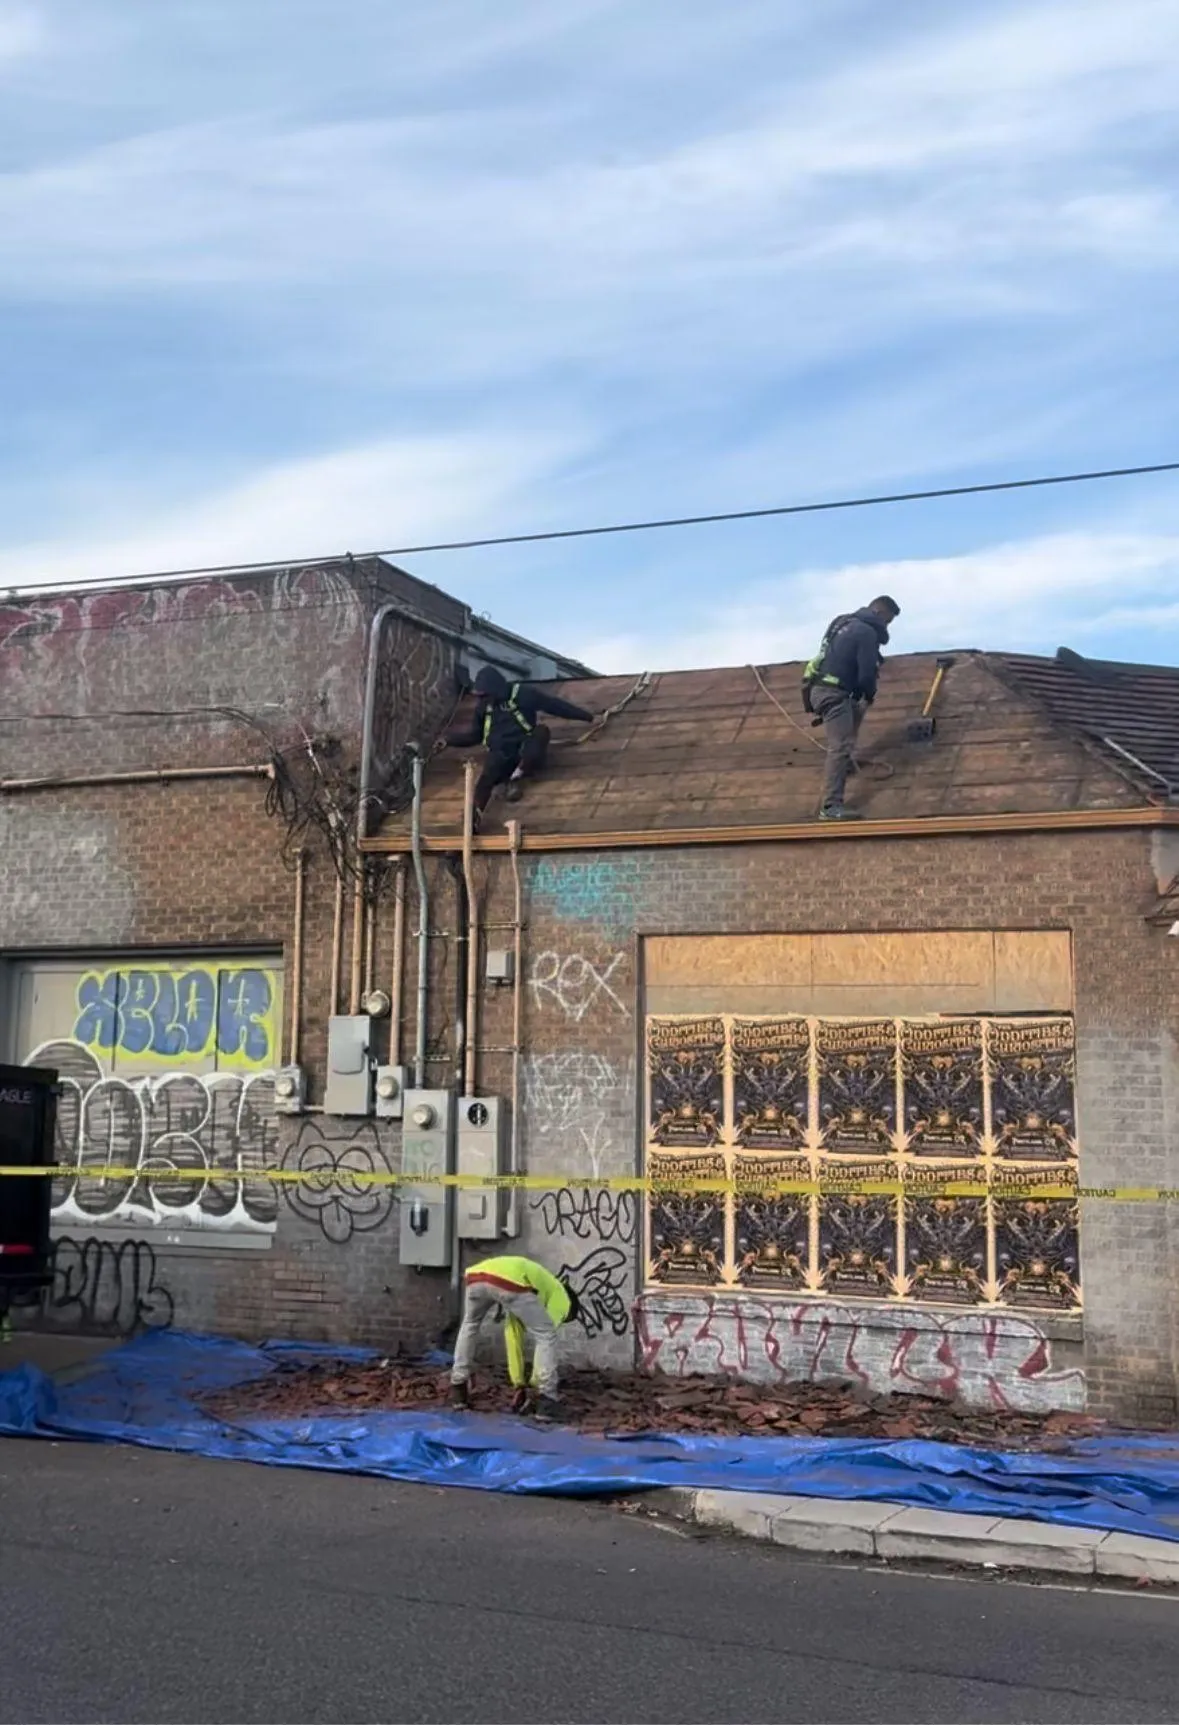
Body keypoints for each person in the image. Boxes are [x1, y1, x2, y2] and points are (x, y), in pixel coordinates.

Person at [446, 667, 595, 821]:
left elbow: (554, 705)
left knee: (541, 732)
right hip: (501, 754)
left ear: (495, 689)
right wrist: (449, 740)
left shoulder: (523, 695)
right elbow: (476, 736)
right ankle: (473, 819)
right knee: (486, 779)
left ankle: (515, 779)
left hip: (524, 751)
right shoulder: (483, 707)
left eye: (485, 695)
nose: (482, 700)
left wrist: (587, 717)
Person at [450, 1253, 581, 1421]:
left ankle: (458, 1388)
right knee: (547, 1334)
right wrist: (534, 1384)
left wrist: (519, 1383)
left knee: (470, 1325)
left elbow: (512, 1334)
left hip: (476, 1276)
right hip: (510, 1281)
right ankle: (547, 1401)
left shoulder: (530, 1296)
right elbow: (545, 1336)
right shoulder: (562, 1297)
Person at [803, 595, 900, 821]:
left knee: (850, 724)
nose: (886, 626)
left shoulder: (841, 622)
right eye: (887, 620)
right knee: (840, 745)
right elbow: (866, 673)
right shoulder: (866, 632)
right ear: (880, 613)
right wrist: (868, 695)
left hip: (819, 689)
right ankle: (831, 807)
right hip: (834, 693)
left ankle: (843, 767)